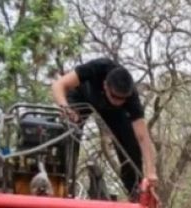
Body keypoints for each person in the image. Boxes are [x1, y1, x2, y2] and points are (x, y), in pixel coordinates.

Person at [50, 58, 158, 198]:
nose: (119, 101)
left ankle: (135, 192)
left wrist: (151, 170)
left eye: (123, 98)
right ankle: (62, 186)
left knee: (131, 144)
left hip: (112, 111)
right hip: (81, 96)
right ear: (105, 85)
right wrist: (65, 109)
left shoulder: (130, 98)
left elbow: (143, 137)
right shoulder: (98, 67)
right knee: (69, 132)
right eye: (115, 97)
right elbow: (58, 85)